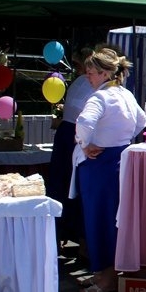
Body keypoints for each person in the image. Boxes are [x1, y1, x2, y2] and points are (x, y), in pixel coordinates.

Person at [73, 48, 146, 292]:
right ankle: (103, 273)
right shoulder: (125, 93)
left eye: (91, 73)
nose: (88, 77)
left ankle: (107, 278)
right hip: (119, 160)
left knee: (100, 219)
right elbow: (142, 121)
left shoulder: (100, 97)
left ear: (105, 74)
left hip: (99, 164)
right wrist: (121, 138)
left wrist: (85, 144)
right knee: (112, 220)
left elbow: (84, 122)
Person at [47, 46, 94, 252]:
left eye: (76, 64)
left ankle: (59, 236)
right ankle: (80, 242)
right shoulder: (86, 83)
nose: (75, 68)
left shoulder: (80, 82)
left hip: (68, 134)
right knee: (74, 187)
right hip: (75, 135)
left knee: (62, 186)